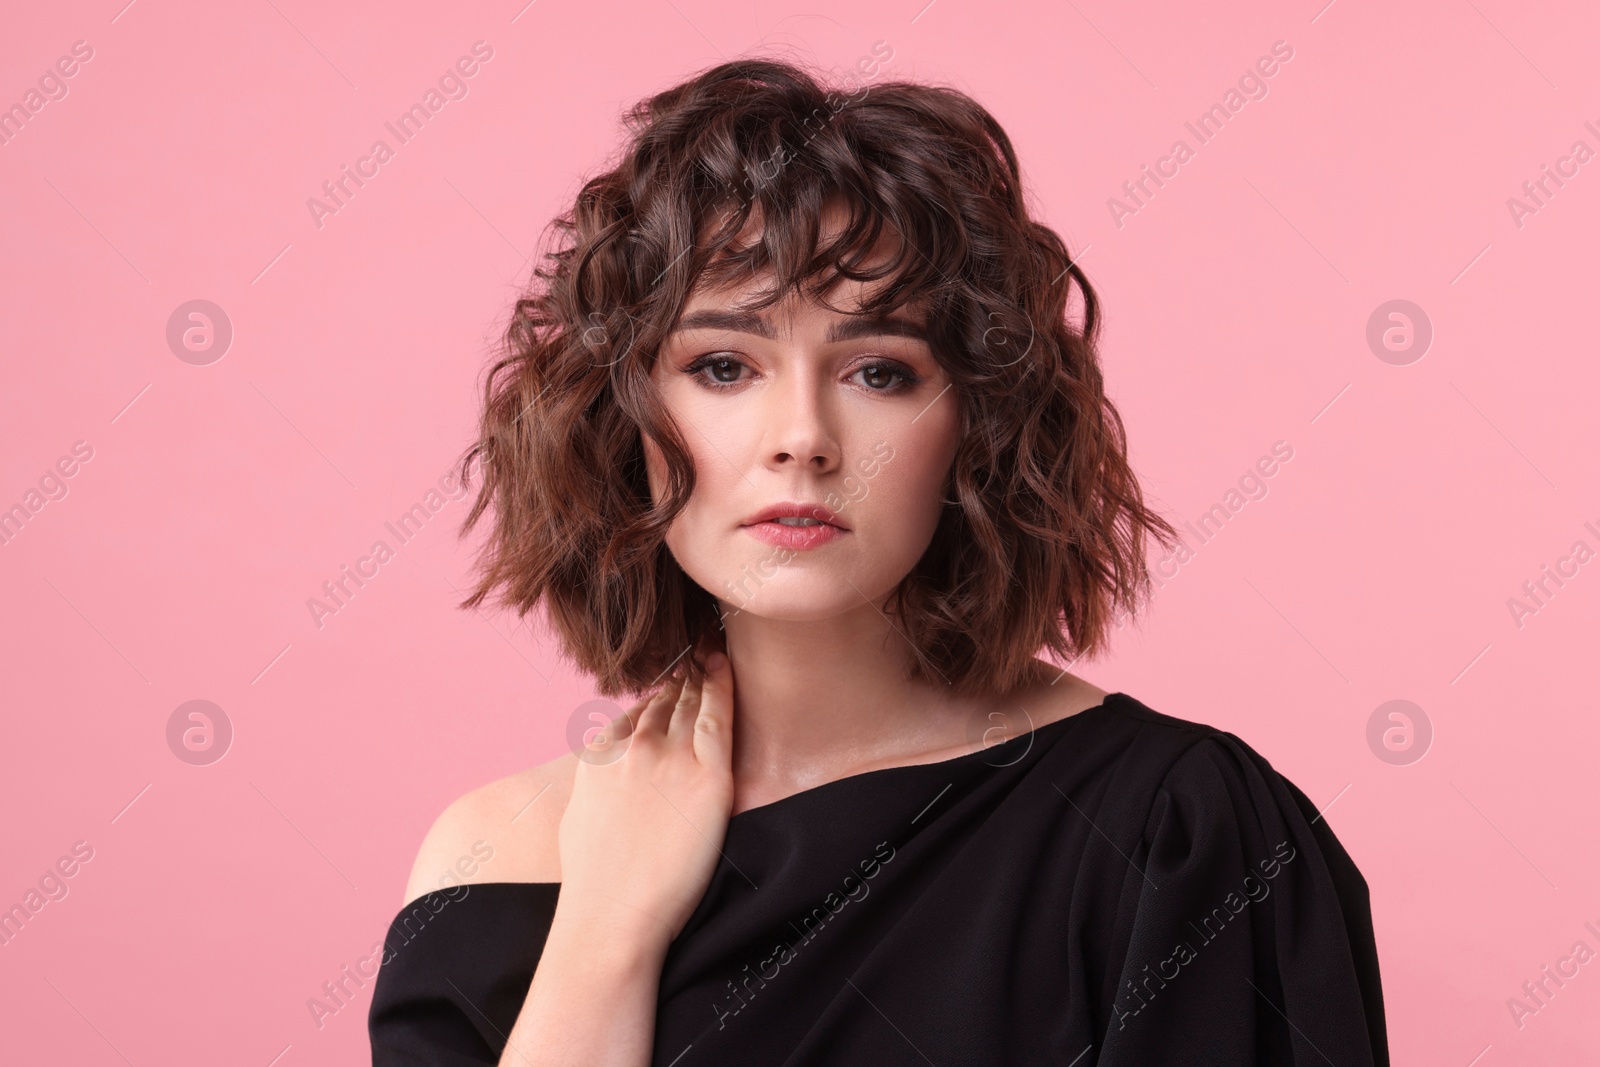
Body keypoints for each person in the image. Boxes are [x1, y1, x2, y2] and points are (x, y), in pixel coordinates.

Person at [367, 57, 1388, 1066]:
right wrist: (606, 931)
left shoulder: (1175, 833)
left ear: (977, 424)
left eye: (879, 371)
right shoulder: (496, 858)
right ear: (619, 415)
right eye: (723, 366)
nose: (801, 437)